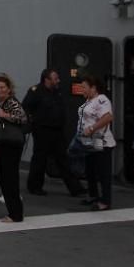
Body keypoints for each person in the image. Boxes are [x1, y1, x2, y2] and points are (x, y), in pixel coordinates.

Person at [23, 68, 84, 197]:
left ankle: (75, 188)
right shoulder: (35, 91)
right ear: (47, 80)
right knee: (40, 159)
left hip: (57, 130)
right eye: (55, 78)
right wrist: (31, 123)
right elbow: (26, 108)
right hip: (42, 130)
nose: (58, 80)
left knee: (64, 160)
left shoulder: (57, 91)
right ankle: (34, 186)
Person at [0, 73, 28, 223]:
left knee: (10, 177)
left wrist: (4, 115)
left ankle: (16, 213)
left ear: (9, 88)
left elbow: (23, 118)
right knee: (2, 175)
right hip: (3, 143)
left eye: (2, 87)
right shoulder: (0, 102)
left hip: (12, 145)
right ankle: (12, 211)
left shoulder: (11, 102)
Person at [78, 75, 115, 211]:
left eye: (84, 87)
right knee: (90, 170)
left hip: (101, 140)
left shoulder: (101, 99)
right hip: (88, 140)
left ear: (93, 88)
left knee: (102, 172)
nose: (82, 89)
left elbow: (108, 117)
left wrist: (92, 128)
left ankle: (105, 201)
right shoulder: (88, 101)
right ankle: (93, 194)